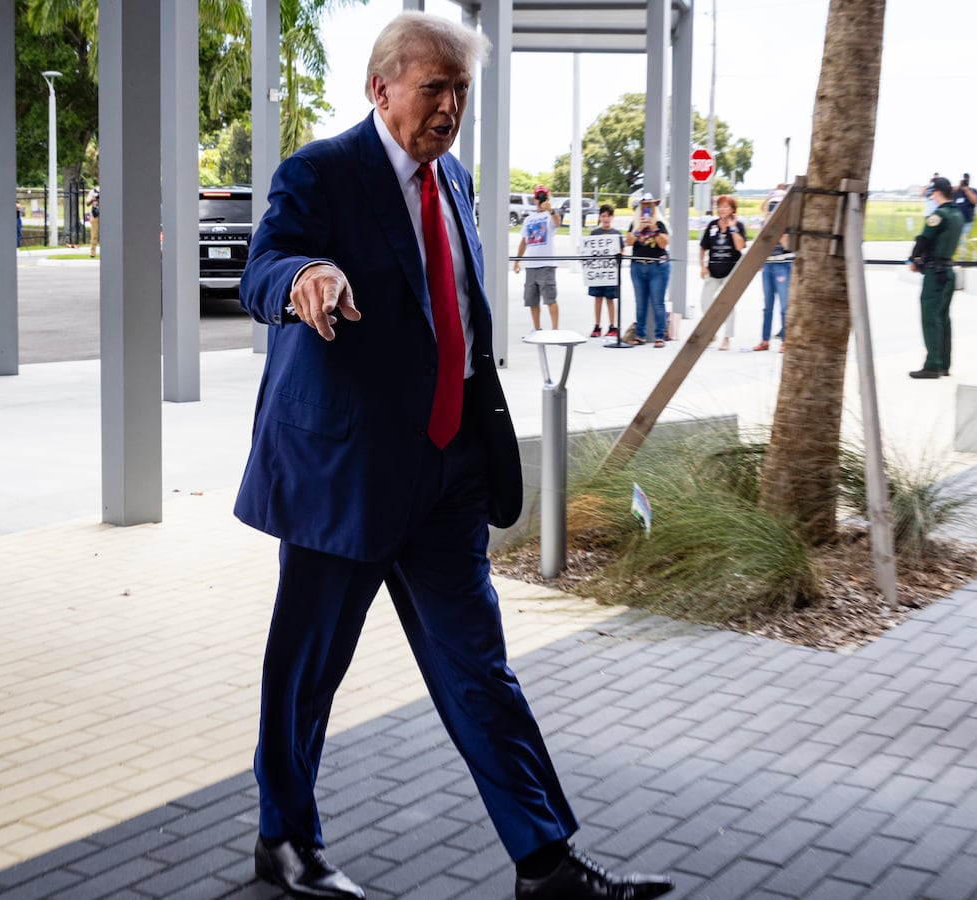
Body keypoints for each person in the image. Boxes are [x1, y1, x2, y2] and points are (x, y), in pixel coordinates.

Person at [234, 13, 675, 900]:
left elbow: (456, 315)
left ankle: (544, 863)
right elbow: (265, 266)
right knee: (306, 673)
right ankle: (285, 841)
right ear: (381, 87)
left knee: (480, 672)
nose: (450, 107)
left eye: (461, 90)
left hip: (446, 477)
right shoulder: (319, 173)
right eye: (433, 87)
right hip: (346, 479)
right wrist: (304, 280)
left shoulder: (458, 181)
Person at [907, 176, 964, 379]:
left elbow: (924, 239)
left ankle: (932, 365)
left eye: (932, 192)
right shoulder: (958, 214)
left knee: (930, 318)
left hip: (935, 274)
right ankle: (943, 364)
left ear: (936, 193)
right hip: (948, 272)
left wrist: (913, 259)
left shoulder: (938, 215)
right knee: (943, 319)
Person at [698, 194, 747, 351]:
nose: (721, 209)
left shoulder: (738, 225)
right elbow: (703, 247)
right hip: (713, 270)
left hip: (731, 270)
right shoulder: (712, 225)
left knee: (728, 303)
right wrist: (702, 266)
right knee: (705, 301)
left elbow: (740, 247)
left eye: (725, 206)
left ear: (732, 209)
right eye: (719, 206)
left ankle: (727, 337)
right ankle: (712, 332)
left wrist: (732, 228)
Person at [626, 194, 671, 348]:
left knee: (658, 302)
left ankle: (660, 335)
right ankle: (640, 335)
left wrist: (653, 228)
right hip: (638, 266)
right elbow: (629, 241)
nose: (647, 208)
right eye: (644, 205)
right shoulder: (635, 224)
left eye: (650, 206)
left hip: (657, 267)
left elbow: (663, 244)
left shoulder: (660, 224)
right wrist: (639, 228)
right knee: (640, 302)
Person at [513, 185, 561, 331]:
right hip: (531, 265)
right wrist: (517, 260)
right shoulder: (529, 219)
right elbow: (524, 241)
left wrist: (550, 210)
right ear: (534, 199)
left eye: (543, 197)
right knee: (532, 300)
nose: (540, 200)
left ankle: (555, 329)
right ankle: (537, 328)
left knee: (550, 298)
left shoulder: (550, 216)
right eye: (538, 197)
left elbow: (557, 222)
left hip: (546, 264)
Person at [752, 184, 793, 352]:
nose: (774, 208)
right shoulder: (764, 222)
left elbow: (787, 245)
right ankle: (764, 340)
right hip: (768, 265)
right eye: (772, 205)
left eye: (778, 205)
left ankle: (785, 340)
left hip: (783, 264)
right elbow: (762, 244)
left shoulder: (789, 223)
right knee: (767, 304)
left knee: (784, 305)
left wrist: (780, 229)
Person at [586, 204, 623, 338]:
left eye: (608, 216)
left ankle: (612, 326)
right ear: (600, 217)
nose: (605, 219)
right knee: (597, 298)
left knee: (610, 299)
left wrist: (619, 254)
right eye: (603, 216)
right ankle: (597, 325)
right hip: (598, 272)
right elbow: (589, 250)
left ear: (612, 217)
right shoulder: (594, 233)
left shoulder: (616, 234)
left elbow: (622, 251)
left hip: (610, 273)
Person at [953, 173, 977, 251]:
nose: (965, 181)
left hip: (967, 221)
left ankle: (963, 258)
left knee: (963, 240)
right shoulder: (956, 191)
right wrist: (959, 187)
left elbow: (975, 201)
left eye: (966, 179)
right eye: (964, 179)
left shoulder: (973, 191)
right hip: (956, 222)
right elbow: (947, 195)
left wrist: (966, 190)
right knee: (957, 241)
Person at [87, 189, 100, 258]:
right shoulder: (93, 191)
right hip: (96, 214)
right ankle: (92, 253)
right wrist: (93, 199)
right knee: (94, 235)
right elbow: (87, 203)